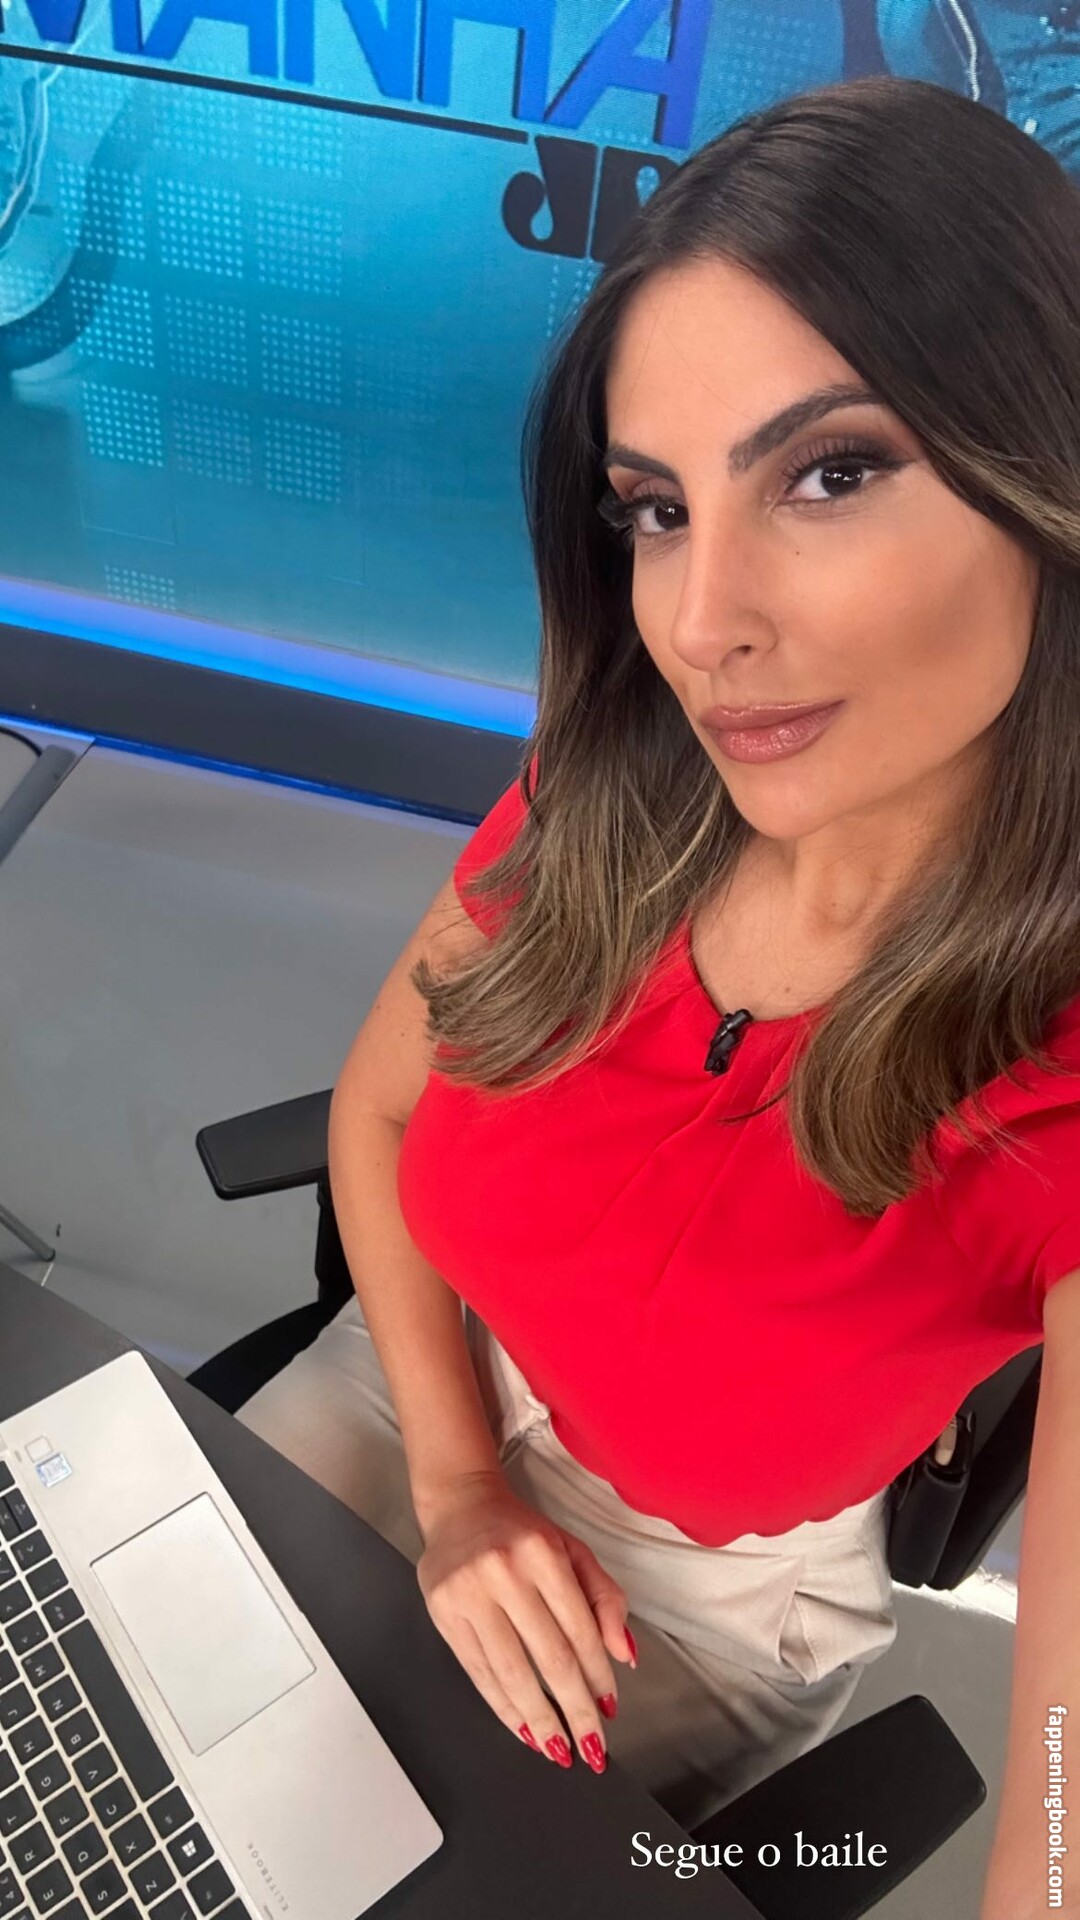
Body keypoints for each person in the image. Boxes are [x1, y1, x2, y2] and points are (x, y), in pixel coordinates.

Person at [235, 74, 1080, 1838]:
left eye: (831, 473)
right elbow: (378, 1118)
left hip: (695, 1601)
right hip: (419, 1382)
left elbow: (1065, 1823)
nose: (701, 627)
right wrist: (458, 1483)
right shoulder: (609, 788)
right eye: (657, 508)